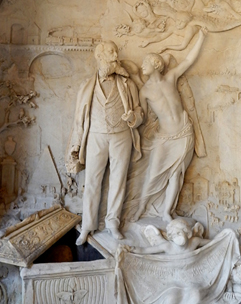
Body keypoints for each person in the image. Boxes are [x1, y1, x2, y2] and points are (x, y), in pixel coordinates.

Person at [68, 41, 143, 244]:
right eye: (111, 51)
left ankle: (112, 224)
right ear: (100, 56)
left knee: (118, 180)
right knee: (92, 181)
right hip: (96, 136)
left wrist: (132, 118)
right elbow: (79, 118)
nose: (115, 54)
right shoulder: (87, 86)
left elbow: (139, 111)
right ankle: (88, 226)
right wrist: (75, 145)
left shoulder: (128, 84)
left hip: (122, 136)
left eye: (116, 51)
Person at [133, 29, 206, 222]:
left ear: (156, 64)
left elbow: (189, 60)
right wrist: (133, 119)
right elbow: (143, 116)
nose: (142, 66)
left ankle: (166, 212)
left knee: (176, 174)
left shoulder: (171, 77)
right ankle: (141, 207)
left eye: (145, 63)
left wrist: (201, 37)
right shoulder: (145, 91)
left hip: (183, 133)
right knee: (154, 173)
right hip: (164, 137)